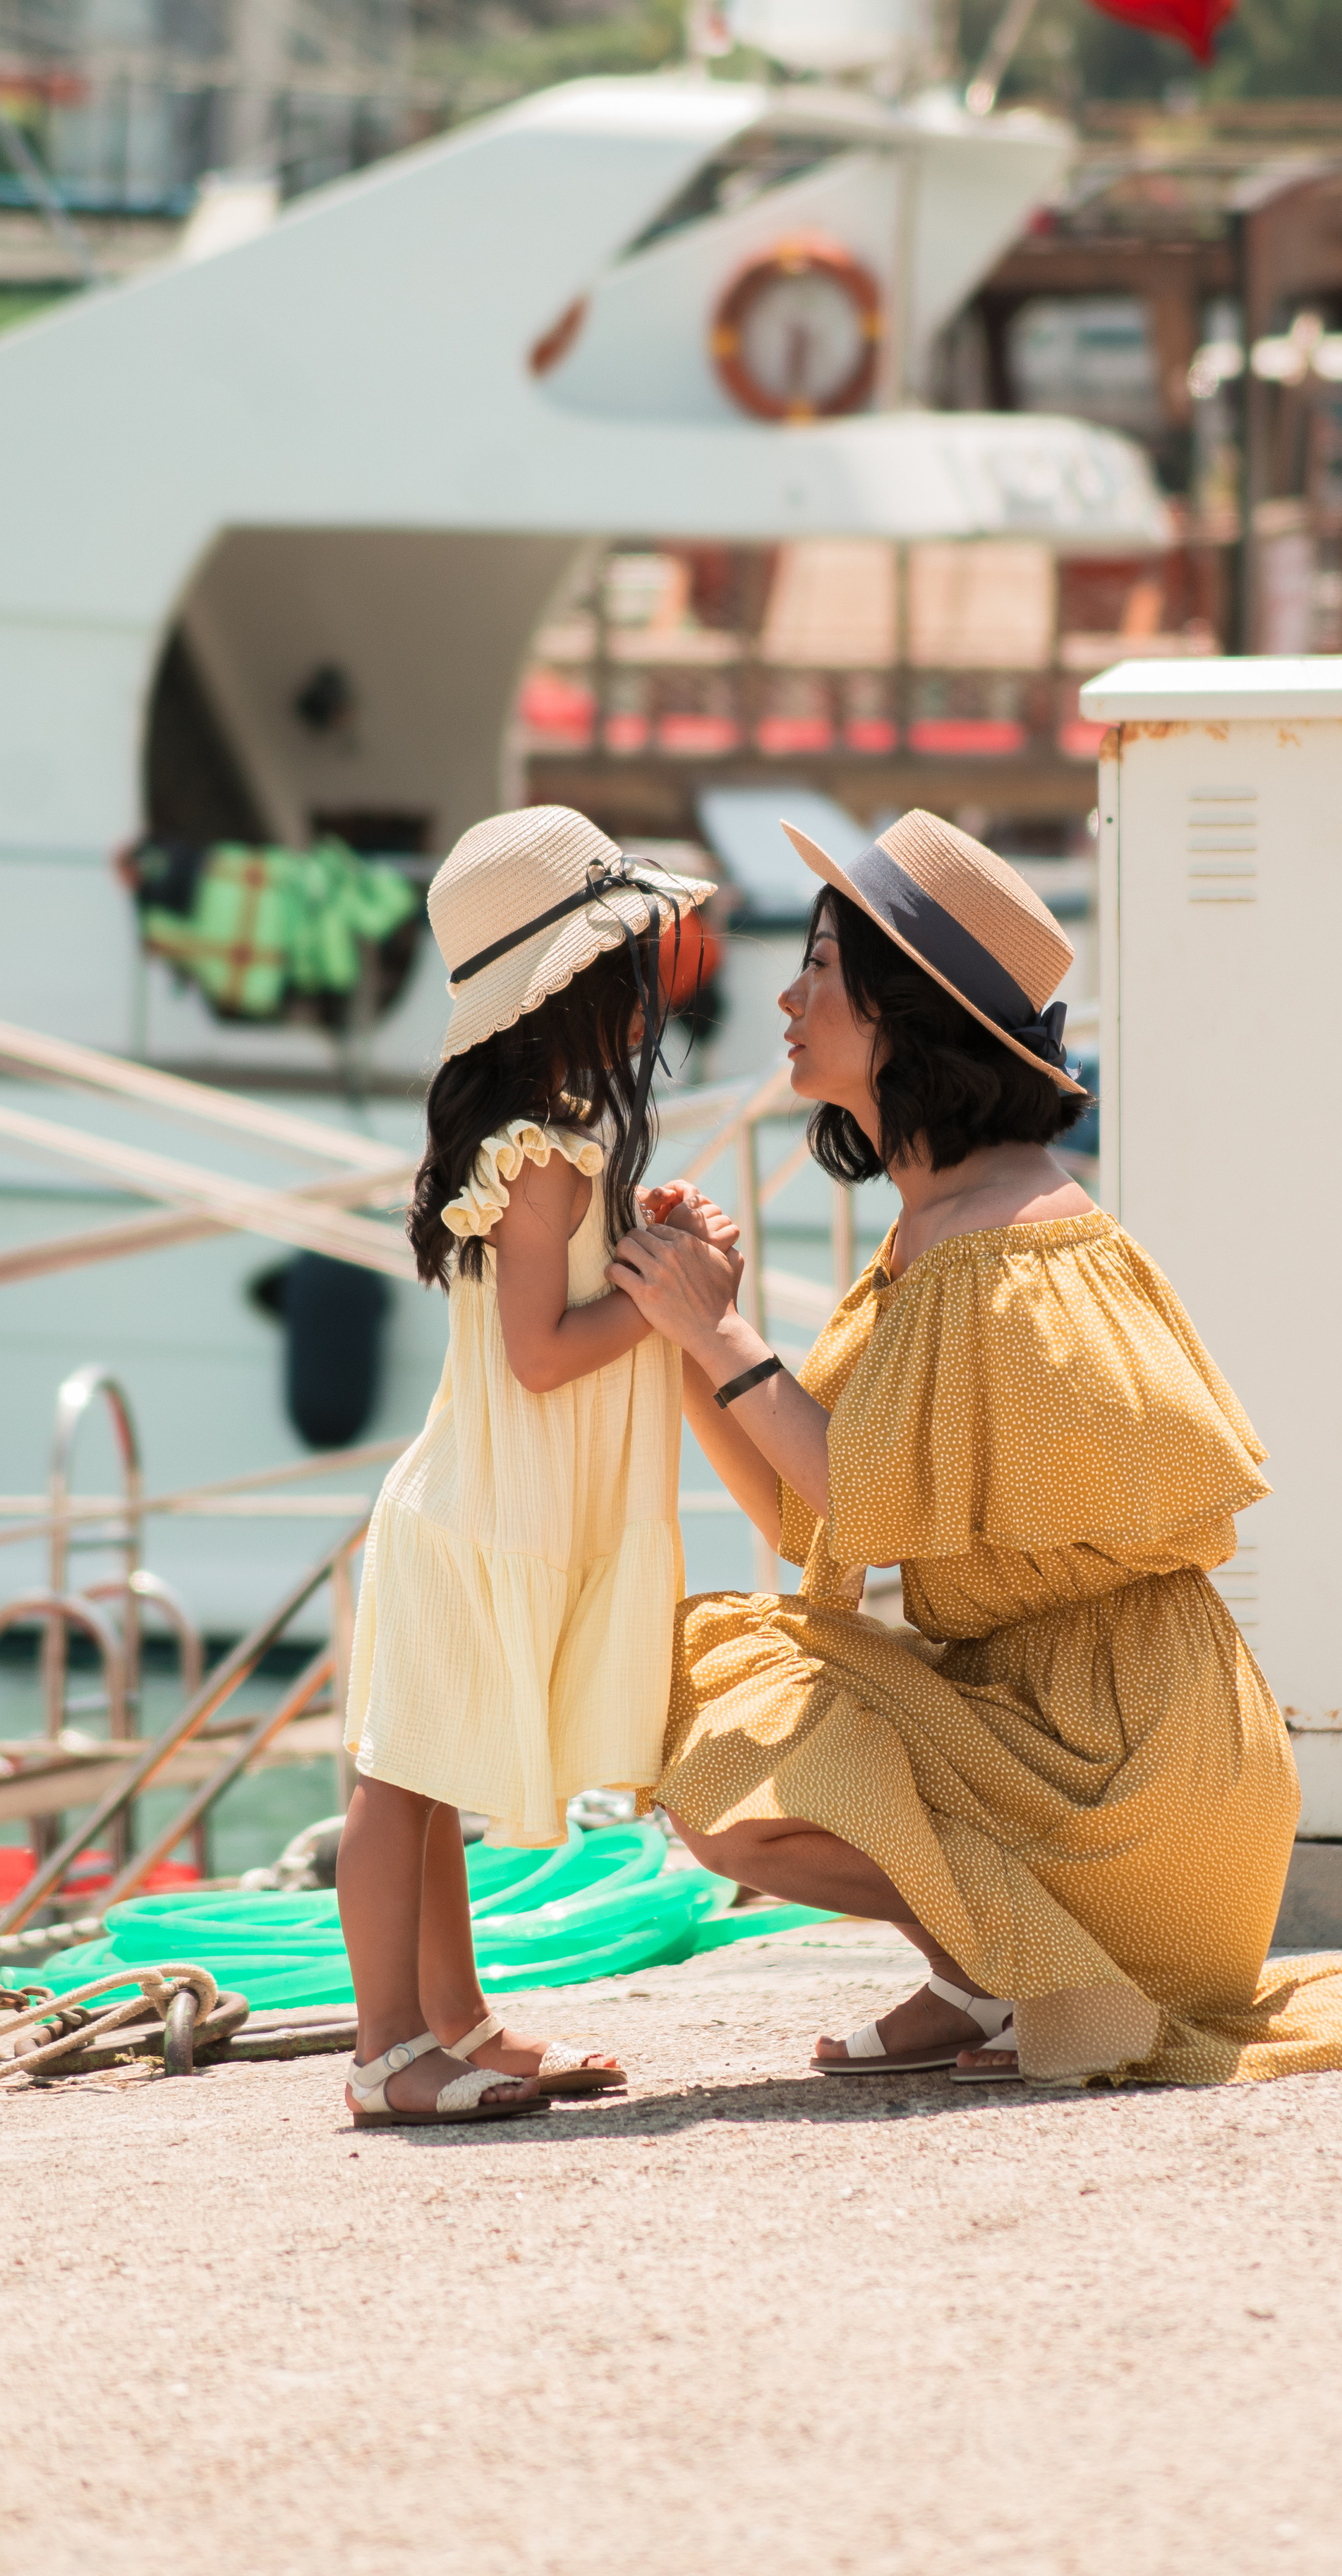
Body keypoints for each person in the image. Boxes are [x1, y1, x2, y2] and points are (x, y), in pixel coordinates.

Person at [610, 809, 1342, 2086]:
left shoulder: (997, 1244)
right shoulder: (958, 1218)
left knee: (721, 1716)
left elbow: (845, 1490)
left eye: (822, 966)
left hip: (1128, 1779)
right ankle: (980, 1971)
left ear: (902, 1010)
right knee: (703, 1672)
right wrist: (686, 1321)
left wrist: (715, 1332)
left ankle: (1008, 1970)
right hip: (1094, 1734)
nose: (787, 993)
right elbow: (804, 1514)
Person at [337, 806, 732, 2125]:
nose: (650, 989)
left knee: (426, 1778)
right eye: (628, 965)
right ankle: (388, 2049)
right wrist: (682, 1294)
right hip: (476, 1520)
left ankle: (453, 2024)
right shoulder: (545, 1157)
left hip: (479, 1512)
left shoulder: (553, 1146)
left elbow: (552, 1317)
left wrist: (652, 1247)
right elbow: (543, 1356)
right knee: (401, 1783)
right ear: (567, 990)